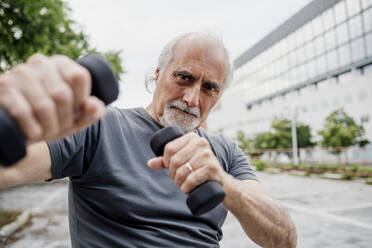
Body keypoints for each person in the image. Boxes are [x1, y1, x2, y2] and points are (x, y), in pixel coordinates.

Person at [0, 32, 297, 247]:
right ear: (158, 74)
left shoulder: (226, 153)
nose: (192, 98)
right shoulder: (98, 126)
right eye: (183, 77)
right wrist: (12, 116)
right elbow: (8, 169)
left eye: (209, 88)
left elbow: (283, 239)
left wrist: (224, 182)